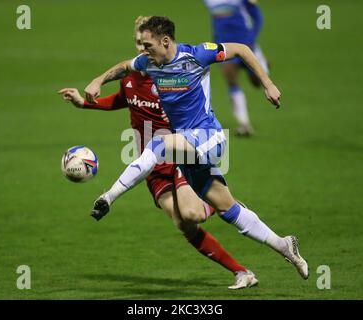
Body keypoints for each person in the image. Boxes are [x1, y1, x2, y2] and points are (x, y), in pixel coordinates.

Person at [84, 16, 309, 281]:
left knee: (159, 144)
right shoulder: (148, 63)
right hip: (187, 149)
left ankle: (109, 196)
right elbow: (123, 67)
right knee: (229, 210)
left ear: (165, 41)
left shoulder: (198, 54)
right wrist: (99, 80)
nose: (143, 51)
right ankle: (284, 245)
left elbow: (242, 50)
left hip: (209, 136)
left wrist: (268, 84)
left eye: (148, 45)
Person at [59, 16, 258, 289]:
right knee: (184, 225)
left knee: (193, 214)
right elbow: (123, 100)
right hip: (149, 163)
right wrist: (85, 105)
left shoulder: (165, 76)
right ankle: (241, 272)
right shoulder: (130, 77)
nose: (141, 48)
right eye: (138, 43)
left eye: (146, 44)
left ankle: (225, 204)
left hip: (177, 153)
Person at [203, 0, 269, 136]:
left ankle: (262, 63)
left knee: (257, 82)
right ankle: (244, 124)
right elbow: (215, 20)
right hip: (226, 47)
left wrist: (251, 40)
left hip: (247, 46)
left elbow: (257, 17)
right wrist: (216, 42)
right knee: (231, 81)